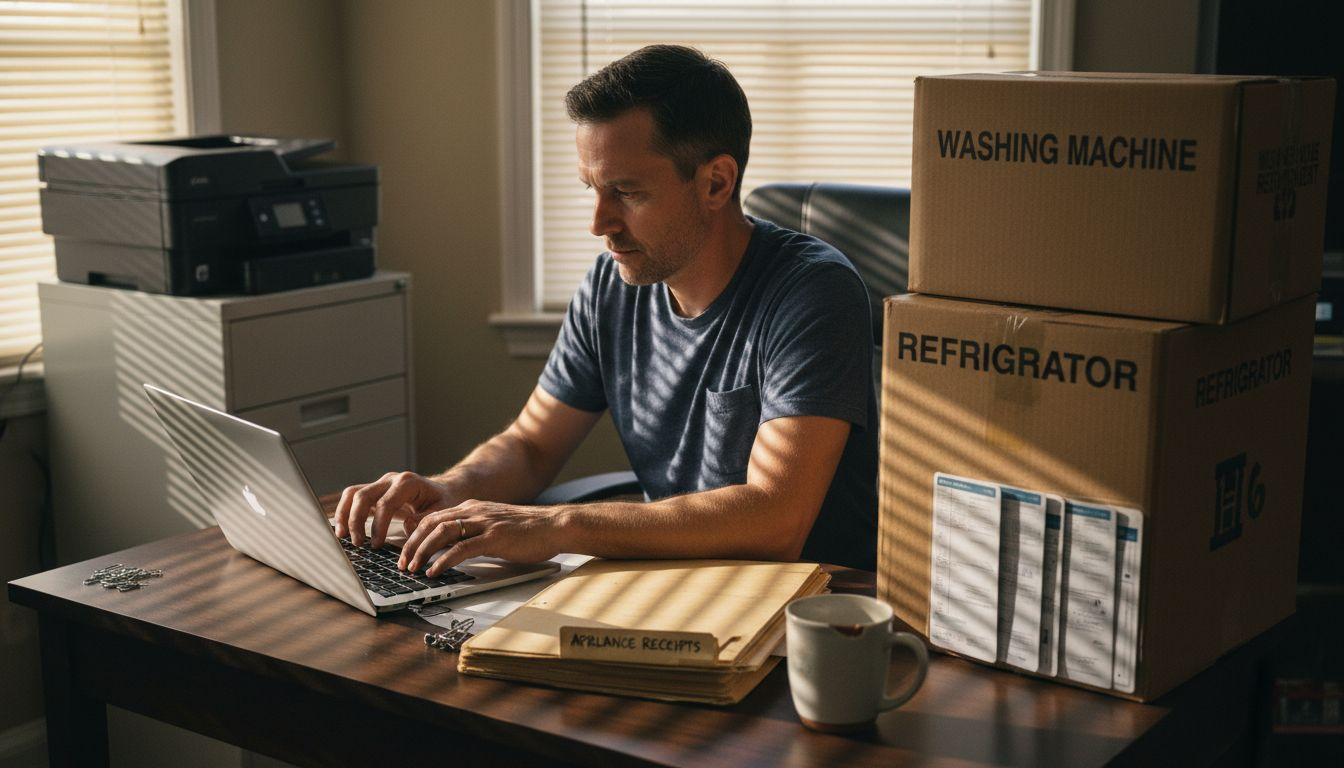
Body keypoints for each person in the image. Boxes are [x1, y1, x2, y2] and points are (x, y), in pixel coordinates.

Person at [334, 44, 879, 573]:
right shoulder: (611, 283)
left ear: (716, 182)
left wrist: (559, 525)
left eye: (626, 192)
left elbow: (774, 518)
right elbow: (530, 446)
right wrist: (450, 490)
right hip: (668, 582)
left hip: (801, 607)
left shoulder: (811, 292)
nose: (599, 223)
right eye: (591, 188)